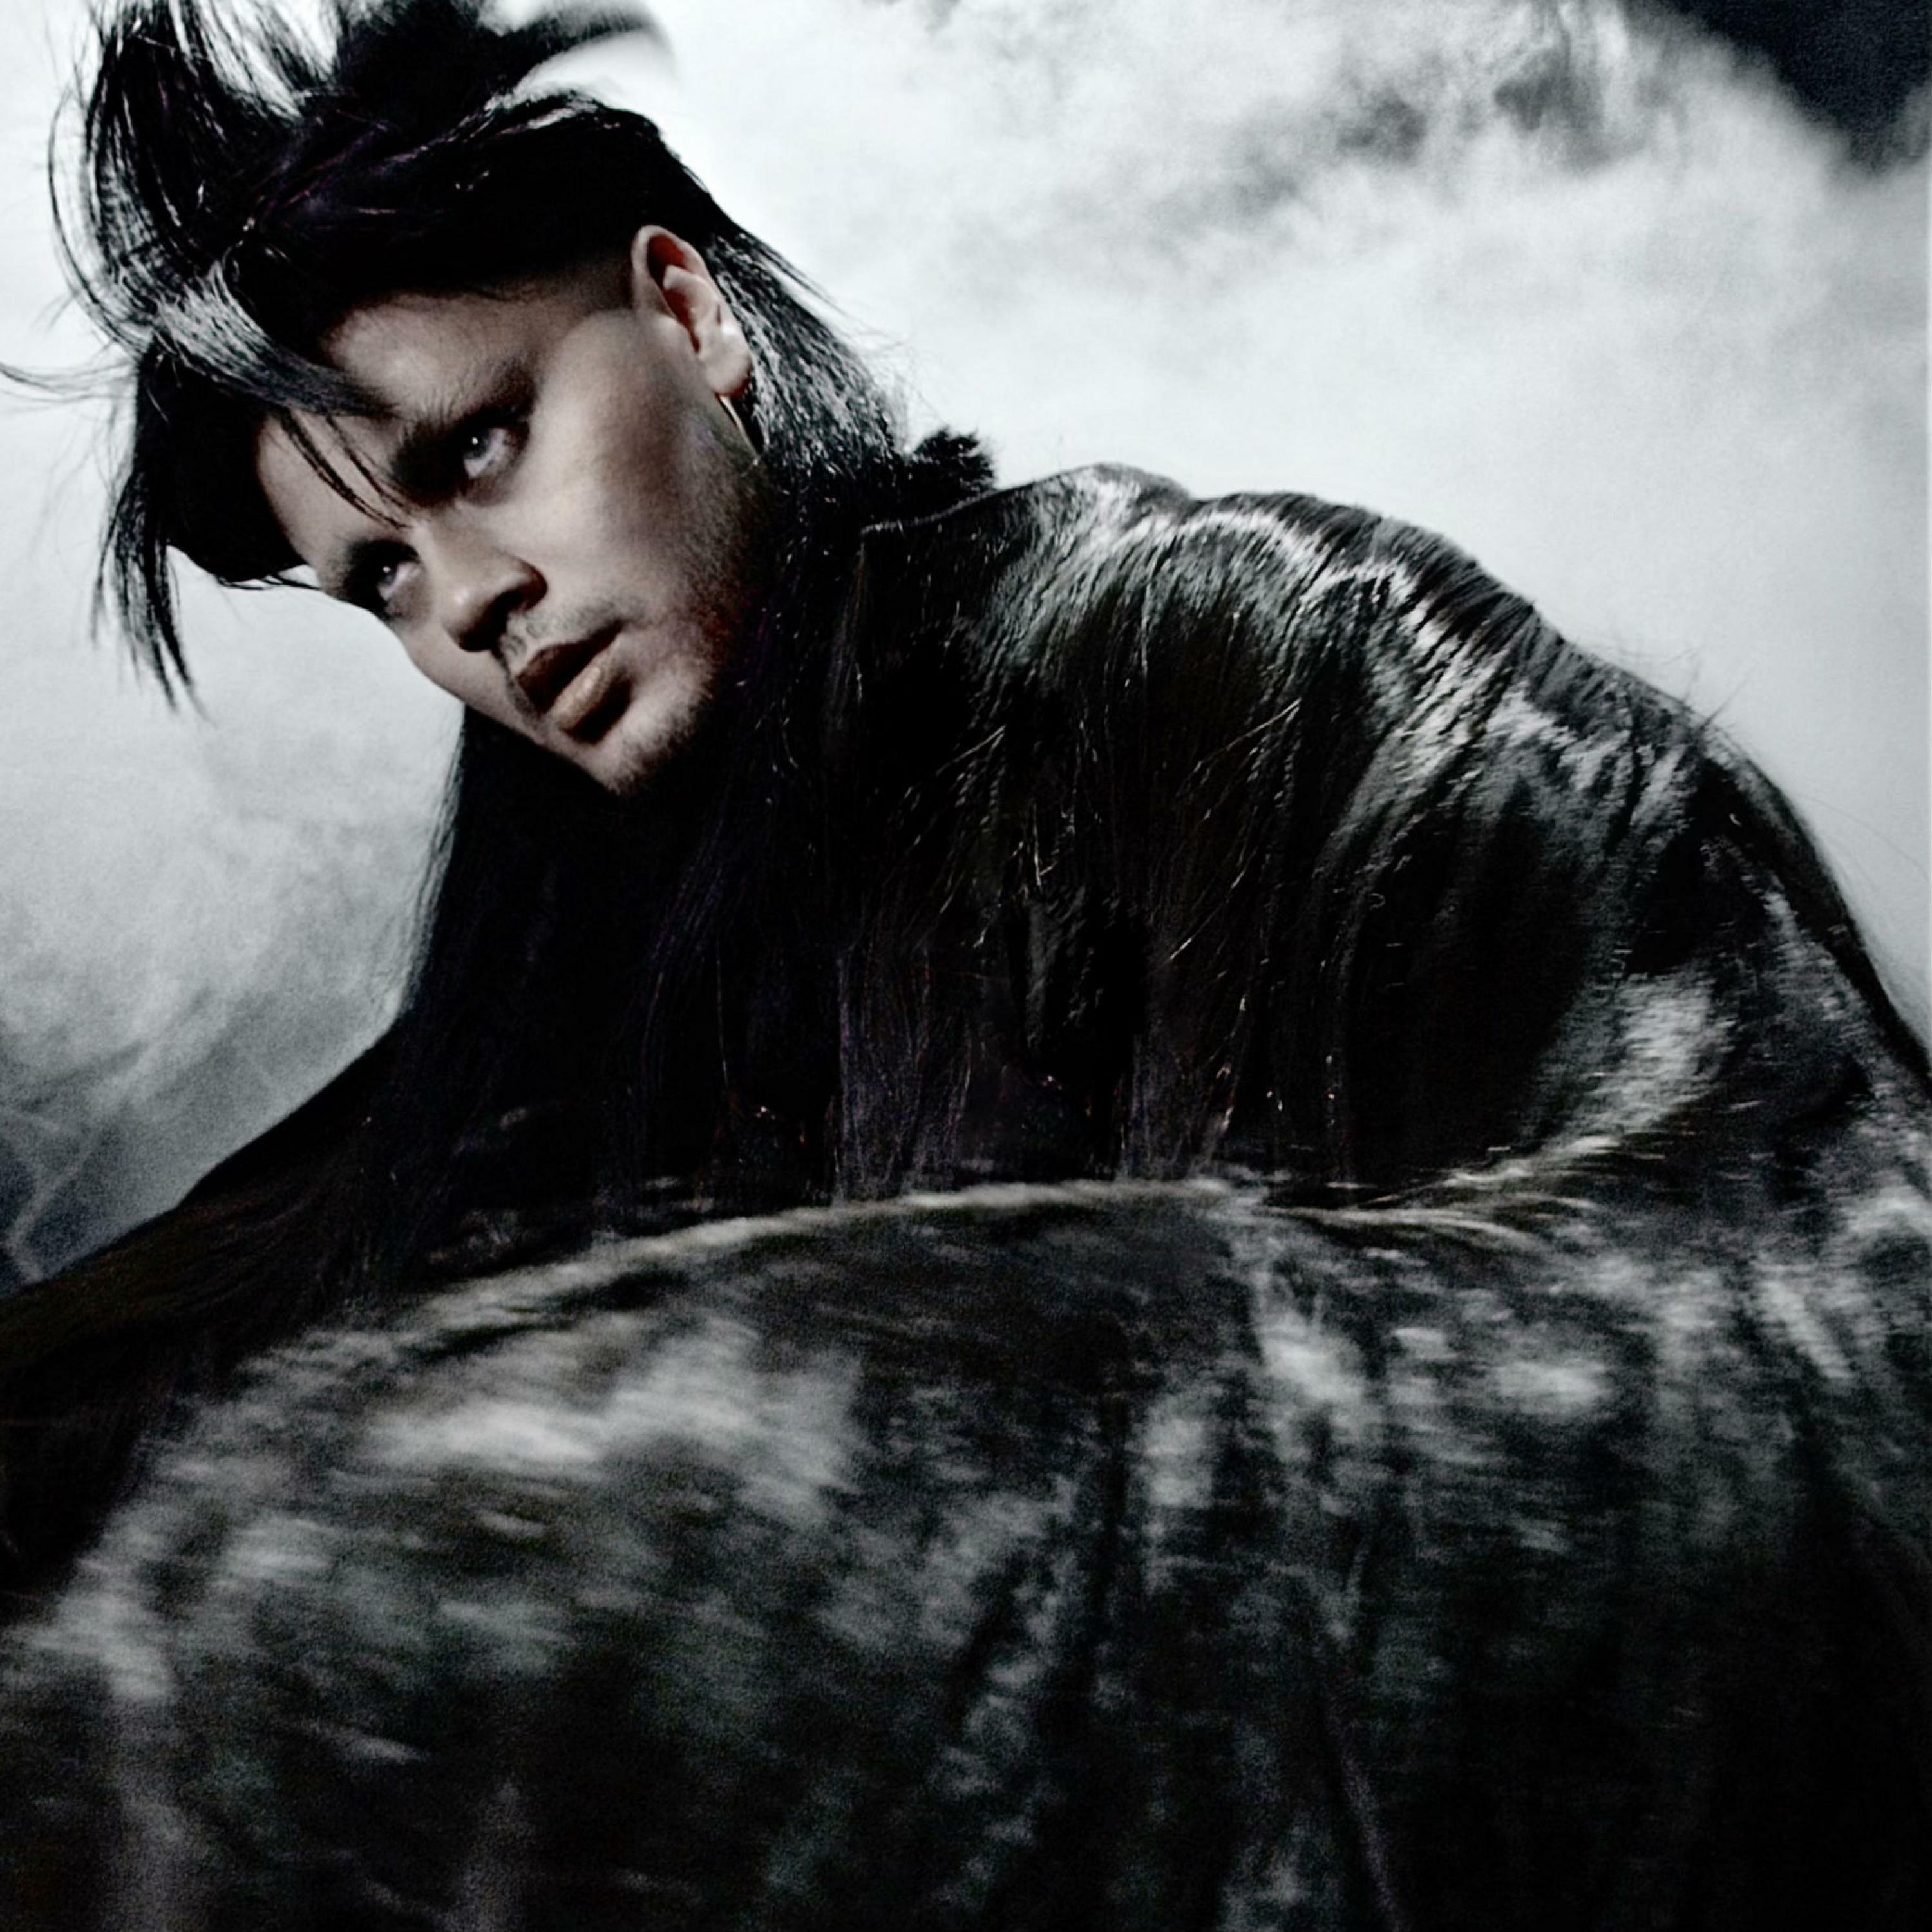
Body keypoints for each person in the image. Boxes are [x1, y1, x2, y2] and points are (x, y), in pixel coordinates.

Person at [0, 0, 1924, 1922]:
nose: (474, 606)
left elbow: (1829, 1283)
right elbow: (218, 1340)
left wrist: (834, 1435)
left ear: (688, 311)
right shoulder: (568, 1007)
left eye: (484, 448)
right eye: (386, 584)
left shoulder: (1236, 655)